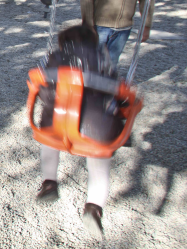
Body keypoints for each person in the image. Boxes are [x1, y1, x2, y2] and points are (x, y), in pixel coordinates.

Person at [35, 25, 121, 239]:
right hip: (93, 130)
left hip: (56, 123)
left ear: (64, 42)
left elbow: (42, 90)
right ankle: (93, 208)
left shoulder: (53, 57)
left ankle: (49, 182)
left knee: (49, 142)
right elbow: (115, 93)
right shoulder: (103, 58)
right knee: (98, 162)